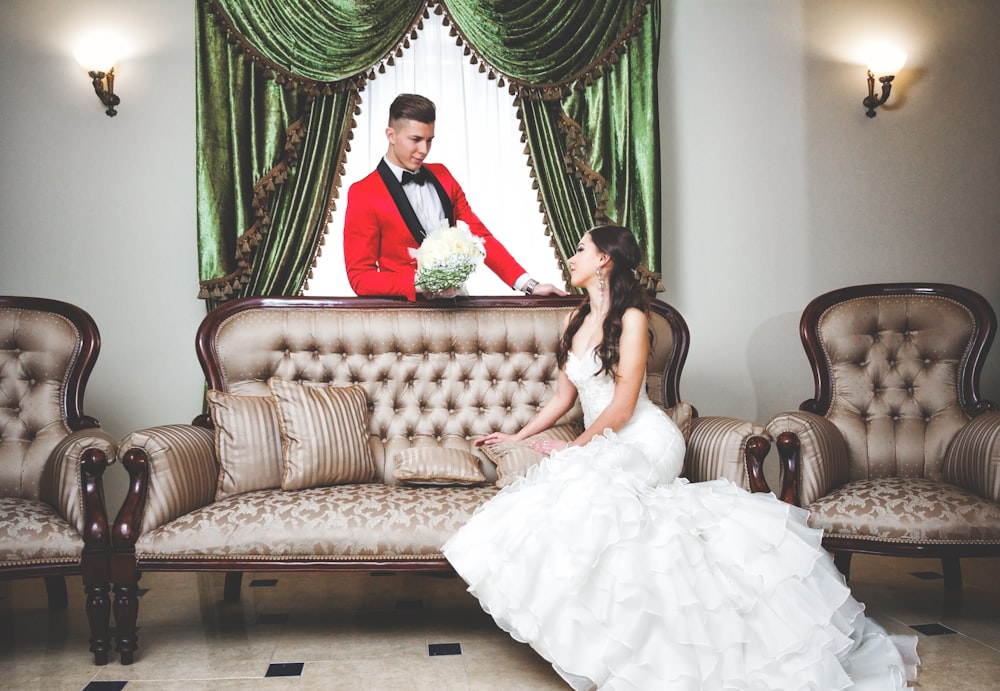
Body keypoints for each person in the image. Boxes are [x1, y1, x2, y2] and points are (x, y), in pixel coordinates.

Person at [442, 225, 920, 690]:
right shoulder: (573, 319)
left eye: (581, 249)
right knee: (565, 496)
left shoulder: (631, 320)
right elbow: (563, 398)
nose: (572, 258)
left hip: (646, 439)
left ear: (604, 260)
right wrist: (516, 435)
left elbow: (625, 404)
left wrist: (574, 446)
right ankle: (606, 635)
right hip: (606, 437)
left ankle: (658, 637)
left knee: (592, 490)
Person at [343, 93, 566, 301]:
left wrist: (529, 285)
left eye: (429, 140)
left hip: (458, 307)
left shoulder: (443, 175)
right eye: (416, 139)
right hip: (404, 319)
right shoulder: (363, 193)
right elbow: (360, 278)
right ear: (391, 135)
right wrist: (423, 282)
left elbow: (480, 237)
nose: (424, 149)